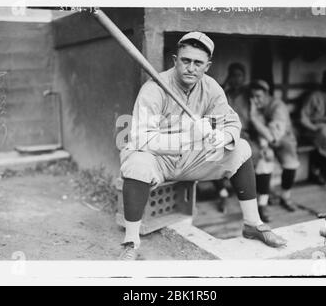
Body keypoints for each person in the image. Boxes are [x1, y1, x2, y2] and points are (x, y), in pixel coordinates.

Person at [118, 32, 287, 260]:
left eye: (198, 63)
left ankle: (252, 224)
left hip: (192, 159)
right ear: (174, 60)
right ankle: (131, 241)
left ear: (207, 66)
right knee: (137, 162)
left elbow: (232, 122)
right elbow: (140, 139)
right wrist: (189, 137)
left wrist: (223, 137)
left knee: (241, 148)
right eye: (186, 61)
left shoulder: (212, 88)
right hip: (158, 159)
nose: (191, 68)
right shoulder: (154, 87)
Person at [248, 80, 300, 222]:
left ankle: (285, 196)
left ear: (267, 95)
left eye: (258, 96)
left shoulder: (278, 106)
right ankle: (262, 203)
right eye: (252, 96)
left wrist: (253, 118)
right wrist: (264, 146)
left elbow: (275, 137)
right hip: (266, 141)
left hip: (284, 140)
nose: (255, 100)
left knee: (291, 164)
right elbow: (264, 137)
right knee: (264, 159)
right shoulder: (256, 106)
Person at [214, 63, 250, 213]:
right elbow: (215, 97)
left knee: (253, 154)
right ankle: (222, 193)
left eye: (239, 76)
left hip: (246, 134)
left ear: (244, 78)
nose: (236, 79)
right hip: (226, 133)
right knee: (213, 154)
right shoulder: (224, 93)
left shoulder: (249, 94)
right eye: (233, 75)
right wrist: (226, 82)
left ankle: (257, 199)